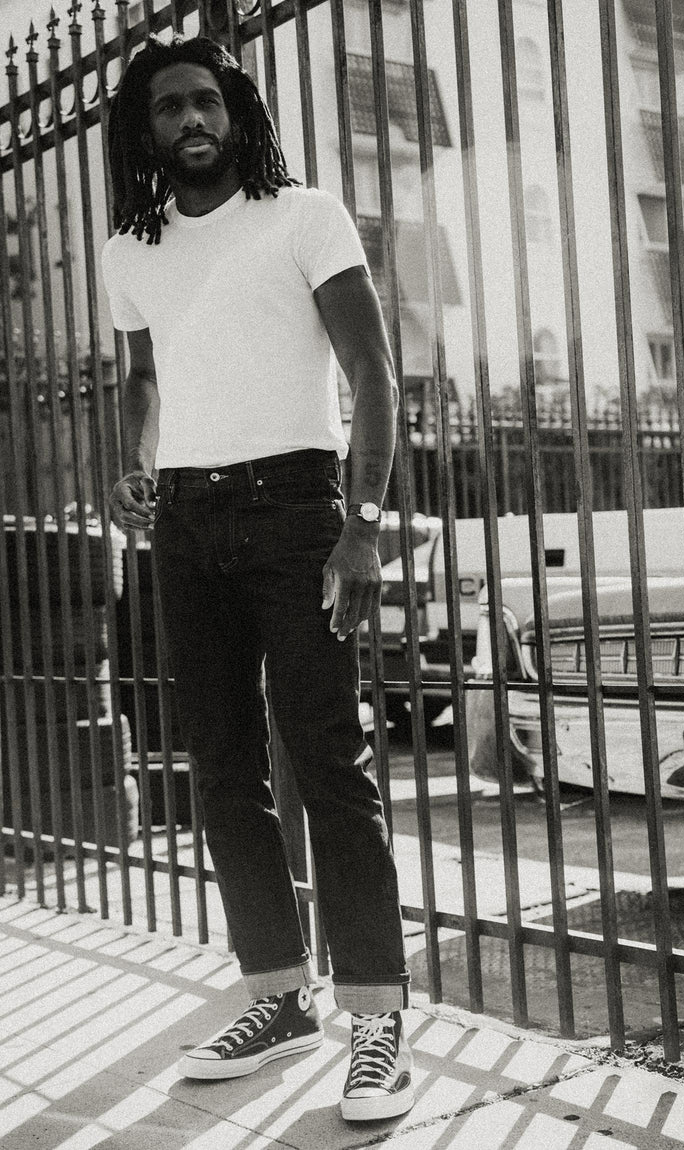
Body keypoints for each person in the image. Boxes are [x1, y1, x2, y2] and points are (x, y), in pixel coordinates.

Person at [103, 34, 413, 1123]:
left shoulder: (303, 216)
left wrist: (363, 525)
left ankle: (378, 1020)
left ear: (234, 108)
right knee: (222, 767)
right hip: (184, 522)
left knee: (328, 758)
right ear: (143, 132)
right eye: (166, 108)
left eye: (204, 100)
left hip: (296, 508)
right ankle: (279, 994)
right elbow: (145, 381)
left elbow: (374, 372)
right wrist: (133, 472)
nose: (189, 120)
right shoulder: (127, 248)